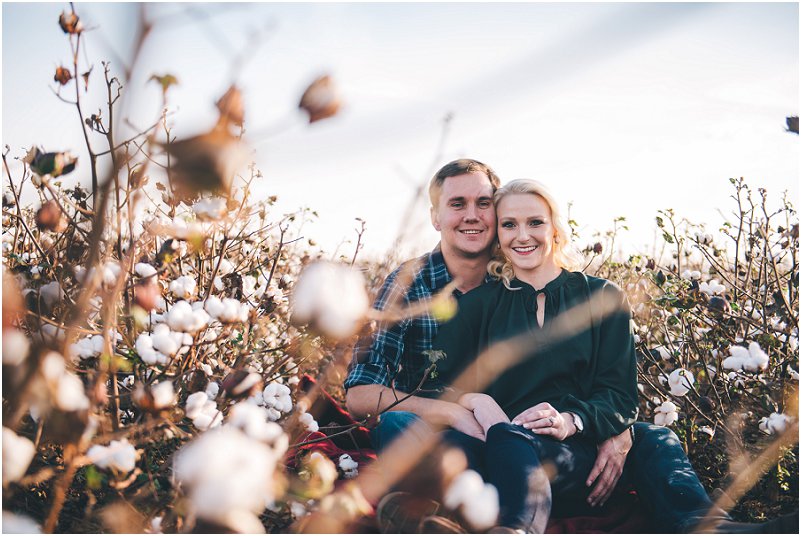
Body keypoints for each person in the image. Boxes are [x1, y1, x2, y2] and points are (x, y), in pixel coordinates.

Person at [429, 179, 792, 533]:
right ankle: (517, 528)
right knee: (504, 438)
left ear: (555, 228)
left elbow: (619, 393)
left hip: (583, 454)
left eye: (535, 222)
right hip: (514, 451)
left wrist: (576, 421)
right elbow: (441, 385)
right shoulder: (478, 305)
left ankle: (709, 528)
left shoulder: (601, 297)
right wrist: (479, 401)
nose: (523, 235)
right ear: (498, 234)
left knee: (655, 437)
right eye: (509, 224)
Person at [344, 161, 640, 530]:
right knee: (397, 424)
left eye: (483, 203)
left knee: (649, 439)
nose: (472, 216)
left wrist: (612, 424)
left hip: (519, 435)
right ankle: (447, 508)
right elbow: (359, 393)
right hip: (451, 430)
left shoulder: (520, 268)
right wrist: (455, 410)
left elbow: (611, 388)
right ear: (435, 217)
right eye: (457, 204)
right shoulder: (409, 284)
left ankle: (456, 509)